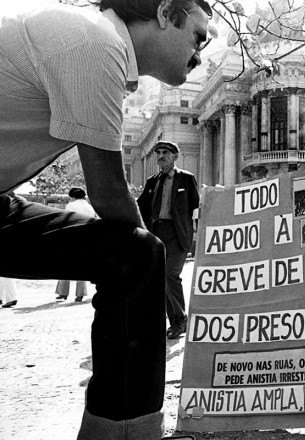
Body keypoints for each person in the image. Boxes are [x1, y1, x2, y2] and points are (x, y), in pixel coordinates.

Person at [0, 0, 212, 438]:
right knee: (135, 254)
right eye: (199, 36)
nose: (201, 53)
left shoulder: (97, 46)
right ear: (166, 13)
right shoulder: (94, 41)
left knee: (138, 254)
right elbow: (111, 194)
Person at [137, 141, 199, 340]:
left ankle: (180, 317)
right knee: (160, 279)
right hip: (156, 233)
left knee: (170, 274)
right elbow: (141, 208)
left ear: (175, 157)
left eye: (166, 152)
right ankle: (176, 321)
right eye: (159, 153)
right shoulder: (152, 181)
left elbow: (198, 206)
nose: (161, 156)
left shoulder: (186, 179)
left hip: (178, 233)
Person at [56, 188, 97, 302]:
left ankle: (63, 292)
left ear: (72, 196)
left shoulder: (71, 205)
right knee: (82, 266)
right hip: (87, 239)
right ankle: (80, 294)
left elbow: (65, 220)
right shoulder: (90, 207)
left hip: (72, 237)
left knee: (65, 265)